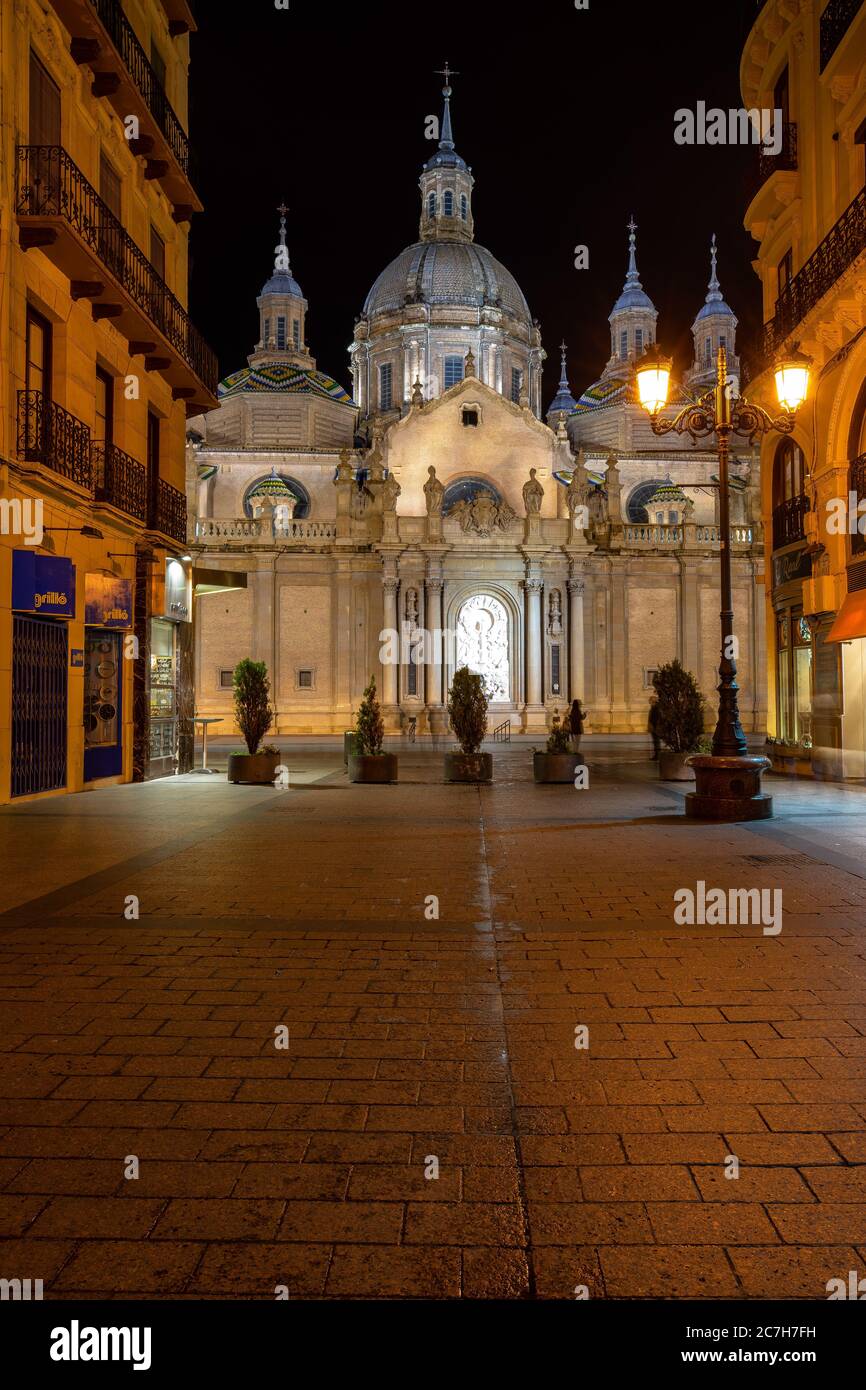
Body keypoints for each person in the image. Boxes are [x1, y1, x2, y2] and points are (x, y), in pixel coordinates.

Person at [648, 694, 662, 760]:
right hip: (654, 727)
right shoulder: (654, 707)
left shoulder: (656, 708)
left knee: (656, 742)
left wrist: (654, 727)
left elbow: (656, 718)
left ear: (653, 701)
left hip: (655, 727)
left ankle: (657, 756)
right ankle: (656, 755)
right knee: (656, 742)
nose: (649, 702)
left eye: (650, 701)